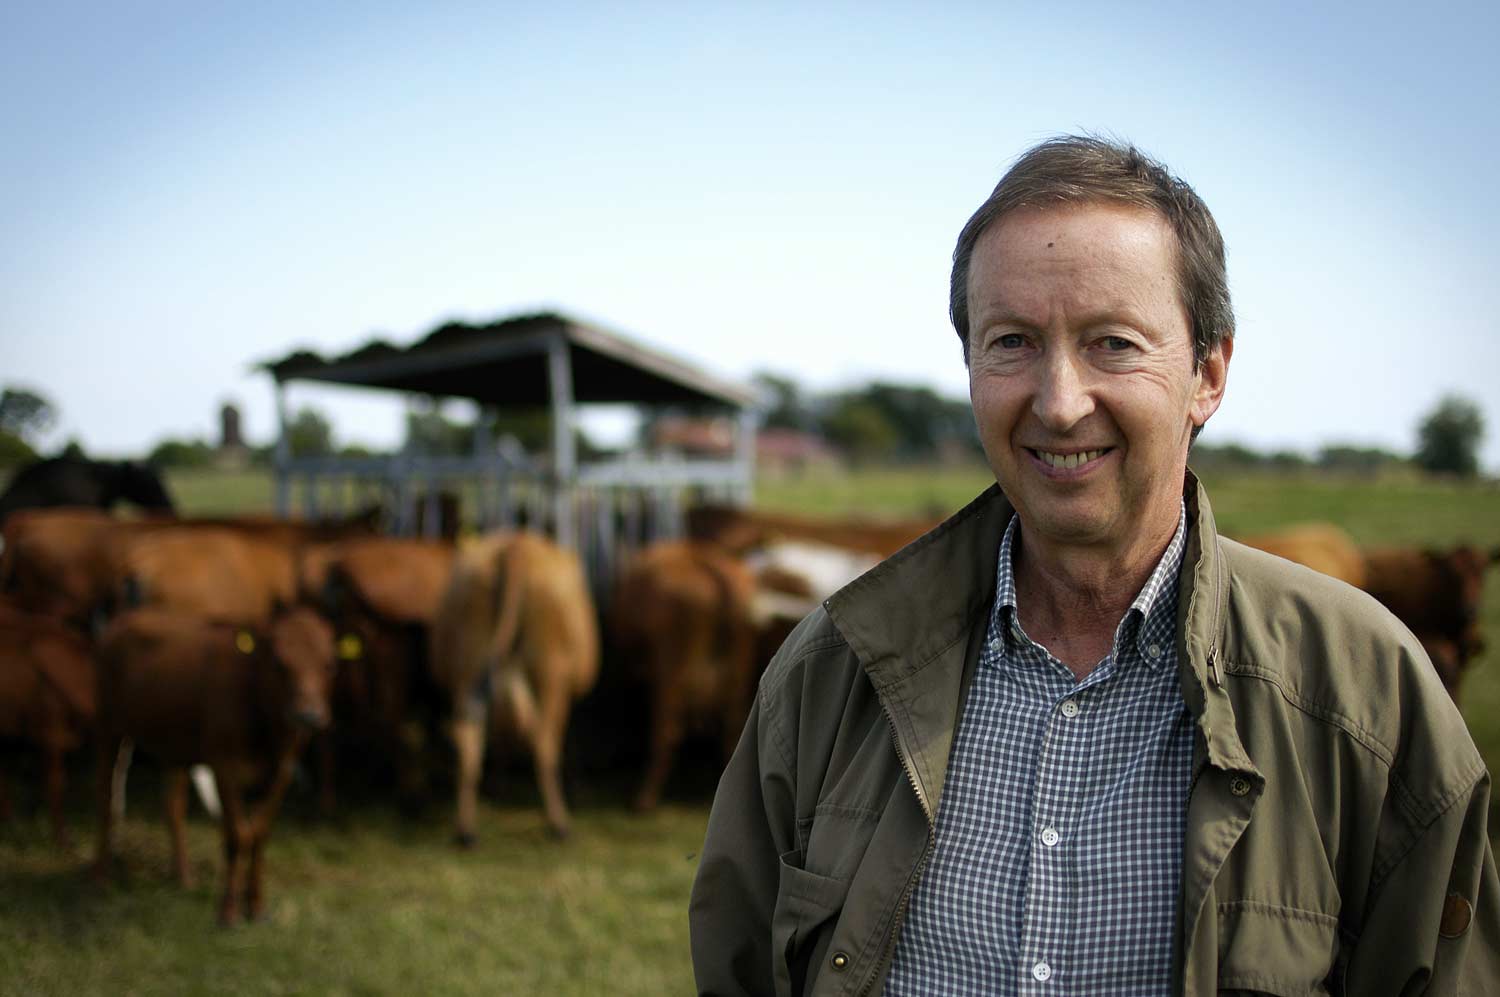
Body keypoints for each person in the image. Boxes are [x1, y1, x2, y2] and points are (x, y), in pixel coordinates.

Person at [688, 136, 1499, 996]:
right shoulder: (830, 669)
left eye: (1112, 343)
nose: (1060, 402)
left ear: (1208, 374)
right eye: (1013, 342)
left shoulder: (1366, 692)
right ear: (970, 367)